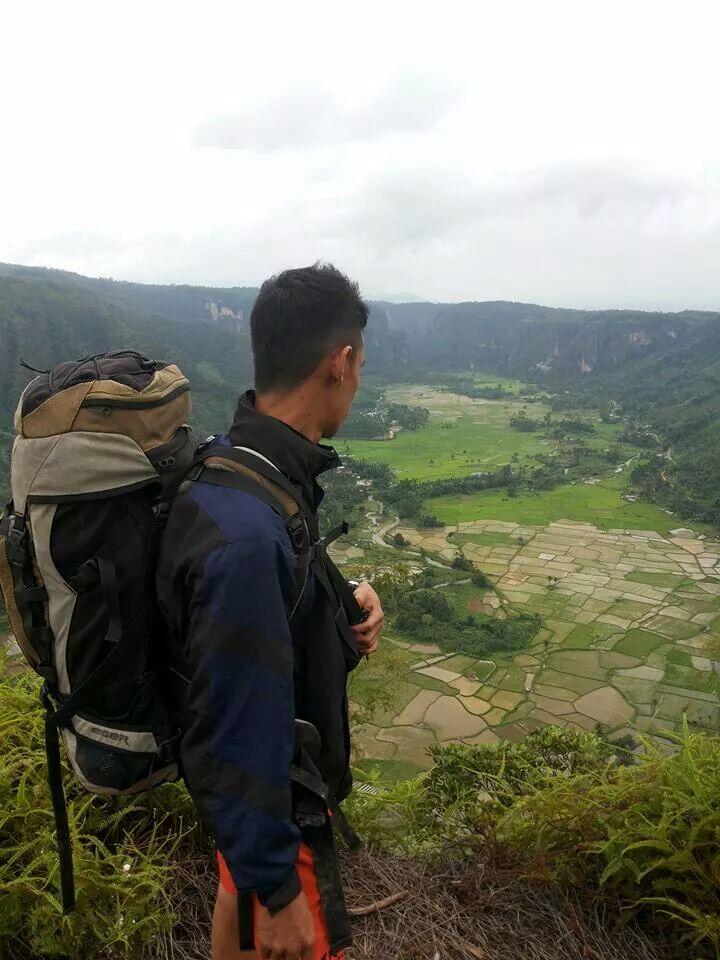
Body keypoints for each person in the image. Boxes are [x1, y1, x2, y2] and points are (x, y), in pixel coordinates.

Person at [157, 263, 384, 960]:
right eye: (361, 364)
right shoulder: (249, 532)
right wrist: (279, 890)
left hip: (256, 819)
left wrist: (340, 606)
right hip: (282, 813)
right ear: (340, 363)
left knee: (236, 903)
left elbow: (266, 615)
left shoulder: (238, 464)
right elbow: (238, 720)